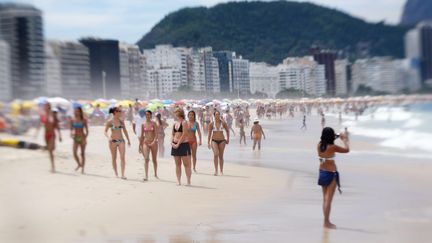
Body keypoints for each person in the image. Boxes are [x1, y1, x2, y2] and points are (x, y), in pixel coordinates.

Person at [317, 127, 350, 229]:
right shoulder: (332, 147)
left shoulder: (319, 145)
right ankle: (326, 222)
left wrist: (338, 135)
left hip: (322, 172)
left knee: (324, 199)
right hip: (331, 173)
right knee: (328, 200)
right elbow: (347, 150)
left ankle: (326, 221)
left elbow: (328, 138)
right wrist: (344, 140)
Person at [104, 107, 131, 179]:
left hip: (121, 140)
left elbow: (125, 131)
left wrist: (128, 140)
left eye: (121, 111)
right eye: (119, 111)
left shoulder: (121, 121)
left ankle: (123, 174)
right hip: (113, 141)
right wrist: (108, 137)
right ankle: (116, 173)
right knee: (114, 158)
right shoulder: (110, 122)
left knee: (122, 157)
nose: (121, 112)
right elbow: (105, 131)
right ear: (115, 112)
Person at [171, 109, 192, 185]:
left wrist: (178, 144)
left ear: (179, 113)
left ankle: (188, 180)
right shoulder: (175, 123)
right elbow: (172, 134)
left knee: (186, 164)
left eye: (175, 112)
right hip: (175, 144)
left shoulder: (184, 122)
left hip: (183, 144)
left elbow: (184, 134)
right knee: (177, 164)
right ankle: (178, 180)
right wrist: (172, 142)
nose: (174, 114)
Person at [40, 103, 62, 173]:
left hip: (52, 134)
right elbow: (42, 124)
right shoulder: (43, 115)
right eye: (45, 106)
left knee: (51, 149)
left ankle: (53, 167)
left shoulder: (52, 114)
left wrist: (60, 135)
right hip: (46, 134)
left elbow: (57, 125)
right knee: (50, 151)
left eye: (47, 106)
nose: (45, 107)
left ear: (49, 107)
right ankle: (52, 165)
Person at [207, 110, 230, 176]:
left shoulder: (223, 123)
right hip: (214, 140)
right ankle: (216, 170)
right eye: (216, 114)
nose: (217, 116)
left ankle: (221, 171)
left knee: (221, 156)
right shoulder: (211, 124)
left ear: (220, 115)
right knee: (216, 154)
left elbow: (227, 131)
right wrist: (208, 142)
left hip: (222, 140)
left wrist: (228, 139)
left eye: (218, 114)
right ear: (214, 115)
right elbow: (209, 133)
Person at [139, 110, 159, 181]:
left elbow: (156, 134)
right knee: (146, 159)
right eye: (146, 114)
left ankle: (155, 173)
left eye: (148, 114)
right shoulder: (143, 124)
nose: (147, 116)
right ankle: (146, 176)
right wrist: (140, 145)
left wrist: (154, 142)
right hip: (146, 143)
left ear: (151, 115)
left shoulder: (154, 123)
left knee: (154, 159)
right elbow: (142, 135)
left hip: (153, 143)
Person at [70, 106, 89, 174]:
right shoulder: (73, 119)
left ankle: (82, 169)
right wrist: (71, 134)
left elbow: (87, 131)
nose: (77, 112)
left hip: (82, 137)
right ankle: (79, 164)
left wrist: (85, 138)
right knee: (74, 153)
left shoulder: (84, 120)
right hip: (75, 138)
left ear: (80, 112)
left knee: (82, 154)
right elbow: (71, 129)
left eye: (78, 111)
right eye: (76, 111)